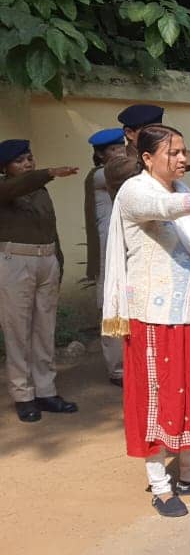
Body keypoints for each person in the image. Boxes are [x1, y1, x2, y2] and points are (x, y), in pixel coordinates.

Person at [101, 124, 190, 517]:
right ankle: (160, 484)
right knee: (157, 396)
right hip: (153, 313)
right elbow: (163, 211)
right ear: (148, 158)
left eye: (185, 152)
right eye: (174, 153)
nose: (183, 159)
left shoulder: (181, 190)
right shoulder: (136, 191)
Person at [0, 140, 79, 422]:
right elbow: (15, 187)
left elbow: (51, 229)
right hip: (15, 262)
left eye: (30, 158)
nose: (27, 164)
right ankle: (23, 394)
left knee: (44, 328)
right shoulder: (7, 189)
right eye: (19, 161)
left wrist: (57, 261)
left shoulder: (40, 191)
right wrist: (48, 172)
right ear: (5, 167)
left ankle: (46, 390)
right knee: (17, 329)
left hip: (45, 260)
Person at [84, 128, 128, 386]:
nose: (120, 153)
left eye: (121, 147)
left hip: (126, 246)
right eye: (113, 150)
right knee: (112, 305)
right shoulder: (100, 175)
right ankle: (117, 369)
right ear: (100, 156)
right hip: (108, 250)